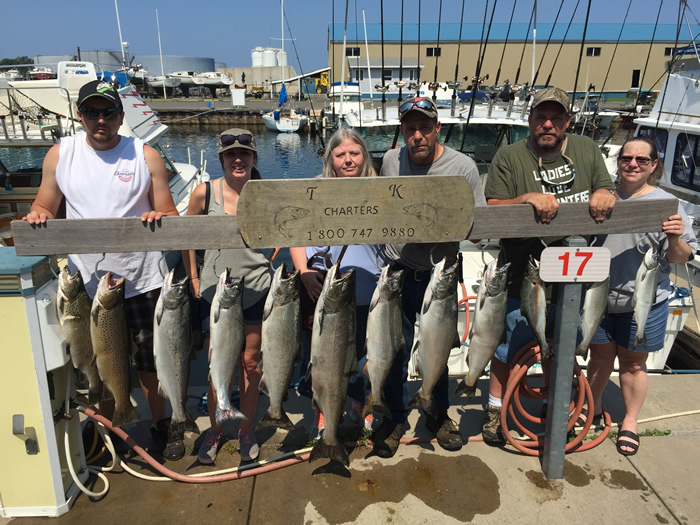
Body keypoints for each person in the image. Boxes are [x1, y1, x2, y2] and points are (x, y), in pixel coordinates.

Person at [23, 80, 181, 458]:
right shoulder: (61, 154)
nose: (100, 119)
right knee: (99, 363)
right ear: (80, 115)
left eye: (108, 112)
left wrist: (160, 215)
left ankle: (162, 423)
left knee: (148, 362)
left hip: (143, 279)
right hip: (90, 287)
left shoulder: (145, 155)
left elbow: (171, 213)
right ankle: (108, 431)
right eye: (92, 112)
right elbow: (45, 203)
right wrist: (38, 215)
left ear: (120, 116)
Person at [482, 86, 617, 444]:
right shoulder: (509, 157)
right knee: (506, 349)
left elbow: (606, 190)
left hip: (577, 280)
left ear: (567, 122)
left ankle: (560, 408)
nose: (547, 124)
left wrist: (606, 194)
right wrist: (524, 199)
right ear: (529, 121)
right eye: (540, 117)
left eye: (555, 118)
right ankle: (496, 410)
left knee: (565, 348)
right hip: (524, 276)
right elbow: (493, 207)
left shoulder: (588, 151)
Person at [375, 96, 487, 458]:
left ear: (437, 128)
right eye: (410, 129)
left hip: (441, 275)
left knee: (439, 347)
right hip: (398, 271)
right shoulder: (391, 160)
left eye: (425, 128)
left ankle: (437, 414)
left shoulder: (464, 166)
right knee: (392, 348)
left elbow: (480, 230)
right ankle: (392, 417)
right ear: (402, 132)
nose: (417, 136)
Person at [585, 138, 697, 456]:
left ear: (653, 165)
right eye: (627, 158)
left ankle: (630, 421)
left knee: (634, 364)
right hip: (599, 299)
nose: (633, 164)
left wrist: (675, 236)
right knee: (600, 357)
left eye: (642, 160)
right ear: (618, 161)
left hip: (647, 299)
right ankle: (591, 408)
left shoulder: (668, 204)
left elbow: (679, 257)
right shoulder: (602, 197)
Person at [183, 129, 271, 464]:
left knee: (250, 363)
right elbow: (185, 237)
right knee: (219, 365)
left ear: (253, 159)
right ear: (221, 159)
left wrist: (268, 259)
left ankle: (245, 428)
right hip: (215, 294)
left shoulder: (263, 193)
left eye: (245, 155)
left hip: (257, 291)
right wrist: (193, 275)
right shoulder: (204, 193)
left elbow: (286, 227)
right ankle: (217, 429)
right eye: (231, 155)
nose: (238, 160)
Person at [289, 128, 382, 439]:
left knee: (362, 355)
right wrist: (302, 270)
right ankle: (322, 412)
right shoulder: (313, 188)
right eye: (340, 154)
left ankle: (359, 405)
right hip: (322, 288)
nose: (348, 160)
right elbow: (294, 234)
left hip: (369, 288)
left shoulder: (381, 190)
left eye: (354, 153)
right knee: (320, 356)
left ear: (364, 156)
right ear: (330, 158)